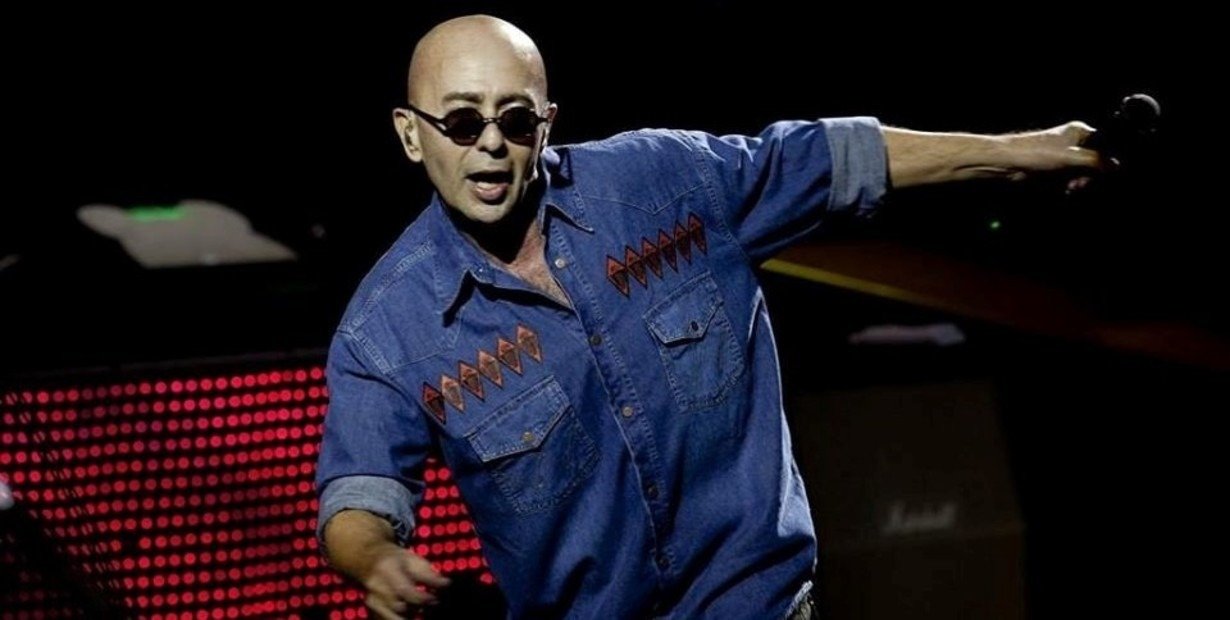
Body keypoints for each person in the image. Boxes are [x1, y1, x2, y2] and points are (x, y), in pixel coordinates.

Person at [313, 14, 1102, 620]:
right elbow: (358, 495)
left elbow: (835, 160)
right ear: (411, 135)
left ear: (546, 125)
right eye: (461, 122)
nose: (491, 145)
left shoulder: (667, 185)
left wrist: (1021, 153)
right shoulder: (386, 330)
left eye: (514, 121)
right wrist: (375, 560)